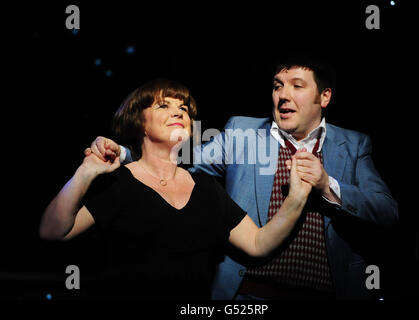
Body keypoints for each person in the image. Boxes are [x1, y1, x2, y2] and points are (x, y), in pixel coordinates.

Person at [90, 53, 398, 300]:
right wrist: (123, 154)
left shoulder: (354, 145)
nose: (283, 95)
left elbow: (387, 212)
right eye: (278, 85)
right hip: (249, 295)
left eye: (297, 86)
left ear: (325, 96)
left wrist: (327, 185)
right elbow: (180, 159)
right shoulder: (241, 132)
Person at [39, 78, 313, 300]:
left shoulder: (207, 188)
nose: (178, 111)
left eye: (183, 107)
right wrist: (85, 173)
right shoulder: (119, 181)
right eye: (162, 106)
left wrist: (298, 197)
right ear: (139, 122)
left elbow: (257, 244)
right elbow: (52, 231)